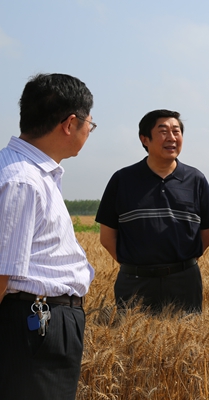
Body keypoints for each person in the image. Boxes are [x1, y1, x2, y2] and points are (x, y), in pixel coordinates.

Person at [0, 73, 96, 400]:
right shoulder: (23, 180)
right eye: (90, 123)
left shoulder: (26, 172)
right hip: (34, 326)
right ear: (70, 124)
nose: (89, 131)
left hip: (35, 323)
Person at [95, 109, 209, 313]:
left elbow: (207, 236)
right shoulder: (122, 180)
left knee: (187, 334)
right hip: (134, 282)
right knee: (131, 334)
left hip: (184, 282)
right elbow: (107, 237)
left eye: (176, 131)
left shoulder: (196, 180)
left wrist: (178, 267)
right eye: (163, 131)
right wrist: (139, 266)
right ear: (145, 139)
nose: (172, 138)